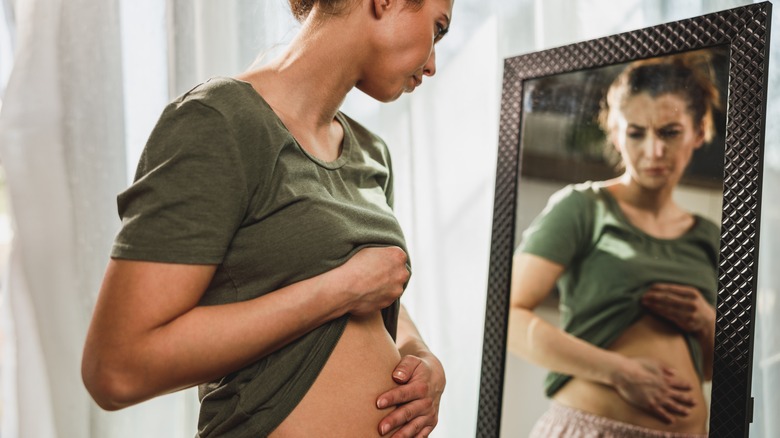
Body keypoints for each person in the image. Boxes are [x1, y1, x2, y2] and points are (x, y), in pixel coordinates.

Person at [81, 0, 452, 436]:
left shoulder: (372, 153)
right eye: (438, 29)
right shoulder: (220, 122)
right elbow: (116, 369)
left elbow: (373, 290)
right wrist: (338, 290)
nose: (432, 65)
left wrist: (419, 354)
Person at [507, 51, 723, 438]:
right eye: (636, 132)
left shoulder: (710, 236)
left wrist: (708, 323)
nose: (653, 151)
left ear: (699, 131)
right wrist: (619, 371)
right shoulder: (582, 208)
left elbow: (709, 368)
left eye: (669, 132)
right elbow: (509, 316)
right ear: (615, 133)